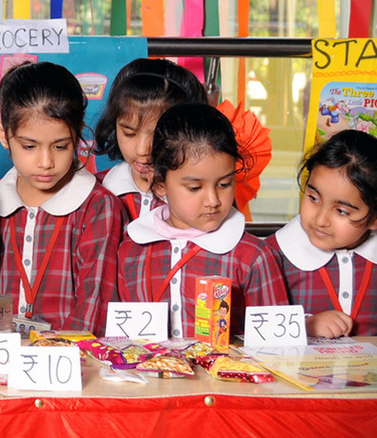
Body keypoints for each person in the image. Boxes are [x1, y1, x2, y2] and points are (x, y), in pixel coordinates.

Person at [117, 103, 288, 339]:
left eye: (224, 184)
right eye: (195, 187)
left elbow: (278, 349)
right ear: (160, 184)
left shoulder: (254, 257)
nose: (213, 200)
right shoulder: (132, 251)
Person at [0, 61, 127, 332]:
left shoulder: (98, 207)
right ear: (4, 135)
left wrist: (62, 353)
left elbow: (95, 301)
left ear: (78, 136)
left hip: (70, 361)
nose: (45, 162)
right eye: (29, 146)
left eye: (60, 146)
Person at [265, 130, 377, 338]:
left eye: (341, 211)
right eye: (313, 198)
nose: (320, 220)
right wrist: (305, 326)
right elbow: (249, 329)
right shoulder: (271, 255)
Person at [93, 58, 207, 221]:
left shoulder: (205, 198)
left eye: (156, 137)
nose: (142, 150)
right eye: (129, 133)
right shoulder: (96, 191)